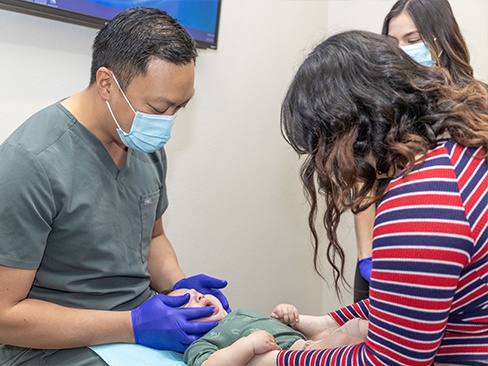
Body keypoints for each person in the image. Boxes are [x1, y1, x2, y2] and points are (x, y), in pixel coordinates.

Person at [0, 7, 230, 365]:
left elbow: (152, 238)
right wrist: (134, 325)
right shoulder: (30, 162)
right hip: (50, 347)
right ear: (107, 83)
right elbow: (5, 317)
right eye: (158, 107)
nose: (166, 123)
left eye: (179, 108)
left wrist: (179, 287)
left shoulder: (143, 144)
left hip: (135, 329)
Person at [275, 29, 488, 365]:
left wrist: (277, 361)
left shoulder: (420, 201)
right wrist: (337, 322)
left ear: (345, 133)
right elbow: (417, 297)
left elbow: (391, 361)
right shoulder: (461, 154)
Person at [353, 0, 480, 302]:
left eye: (412, 41)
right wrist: (366, 256)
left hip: (446, 256)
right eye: (392, 43)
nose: (401, 50)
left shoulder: (474, 107)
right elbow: (364, 182)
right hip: (384, 250)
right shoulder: (384, 106)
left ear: (441, 39)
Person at [164, 288, 367, 366]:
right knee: (343, 343)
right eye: (187, 301)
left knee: (361, 326)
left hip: (309, 341)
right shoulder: (200, 344)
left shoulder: (238, 313)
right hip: (295, 355)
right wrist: (248, 345)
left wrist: (285, 315)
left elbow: (277, 329)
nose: (199, 295)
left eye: (197, 292)